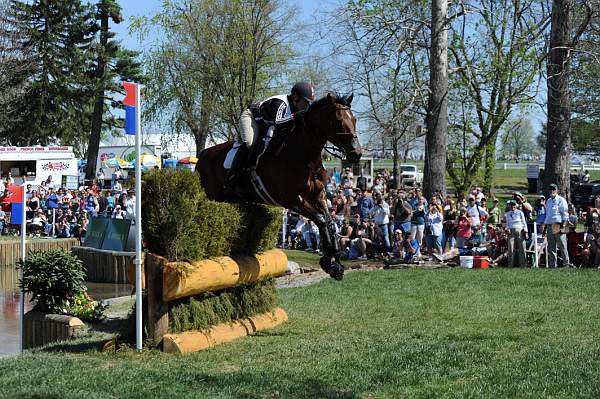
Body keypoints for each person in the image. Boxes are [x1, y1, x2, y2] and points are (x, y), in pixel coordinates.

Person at [225, 81, 316, 189]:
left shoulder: (296, 108)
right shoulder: (281, 103)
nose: (307, 106)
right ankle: (232, 177)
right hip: (251, 118)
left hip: (266, 124)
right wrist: (296, 116)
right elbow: (278, 123)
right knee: (249, 143)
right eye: (306, 102)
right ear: (296, 97)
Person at [544, 183, 572, 268]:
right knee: (551, 247)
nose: (552, 191)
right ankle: (553, 265)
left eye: (554, 189)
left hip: (558, 225)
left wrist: (563, 226)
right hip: (549, 225)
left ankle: (566, 264)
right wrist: (545, 226)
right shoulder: (548, 201)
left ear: (557, 190)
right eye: (550, 189)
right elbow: (548, 215)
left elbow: (565, 214)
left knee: (562, 246)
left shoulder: (561, 200)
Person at [504, 200, 528, 267]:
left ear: (516, 205)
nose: (512, 206)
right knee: (511, 249)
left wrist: (526, 232)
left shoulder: (520, 212)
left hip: (519, 230)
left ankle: (523, 265)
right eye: (511, 205)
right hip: (511, 231)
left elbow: (524, 222)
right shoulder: (507, 214)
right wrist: (507, 229)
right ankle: (510, 265)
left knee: (522, 248)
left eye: (514, 205)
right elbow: (507, 223)